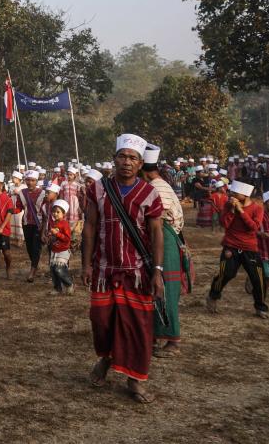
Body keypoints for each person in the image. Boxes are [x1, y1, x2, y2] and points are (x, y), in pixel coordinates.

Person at [82, 133, 164, 404]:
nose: (126, 162)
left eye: (133, 158)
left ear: (140, 164)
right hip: (104, 270)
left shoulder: (150, 194)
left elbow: (156, 234)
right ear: (114, 159)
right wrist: (86, 264)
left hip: (136, 272)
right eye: (122, 156)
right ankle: (105, 358)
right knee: (101, 322)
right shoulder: (97, 189)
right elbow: (90, 227)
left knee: (138, 328)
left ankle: (135, 380)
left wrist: (158, 271)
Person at [140, 145, 190, 357]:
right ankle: (155, 335)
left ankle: (172, 340)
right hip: (164, 238)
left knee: (165, 290)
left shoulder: (157, 188)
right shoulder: (158, 185)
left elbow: (156, 222)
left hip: (165, 240)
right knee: (155, 291)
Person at [206, 180, 269, 319]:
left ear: (245, 194)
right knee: (226, 274)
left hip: (250, 248)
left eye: (235, 193)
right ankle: (213, 296)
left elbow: (253, 227)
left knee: (258, 279)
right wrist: (232, 211)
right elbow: (225, 224)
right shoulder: (229, 205)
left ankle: (260, 307)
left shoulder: (257, 208)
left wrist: (241, 211)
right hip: (231, 246)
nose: (231, 195)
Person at [17, 170, 45, 282]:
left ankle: (32, 271)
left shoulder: (43, 193)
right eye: (28, 180)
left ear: (36, 181)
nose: (30, 182)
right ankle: (35, 265)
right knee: (29, 247)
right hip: (26, 222)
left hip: (38, 223)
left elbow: (45, 210)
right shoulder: (22, 193)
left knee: (36, 247)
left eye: (32, 180)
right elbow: (19, 207)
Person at [48, 199, 73, 294]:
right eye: (54, 212)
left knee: (59, 269)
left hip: (63, 250)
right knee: (53, 270)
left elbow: (67, 238)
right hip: (54, 250)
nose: (55, 214)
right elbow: (53, 235)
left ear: (64, 213)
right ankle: (57, 288)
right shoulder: (54, 223)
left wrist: (57, 234)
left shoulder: (65, 224)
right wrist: (49, 235)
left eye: (58, 212)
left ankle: (69, 284)